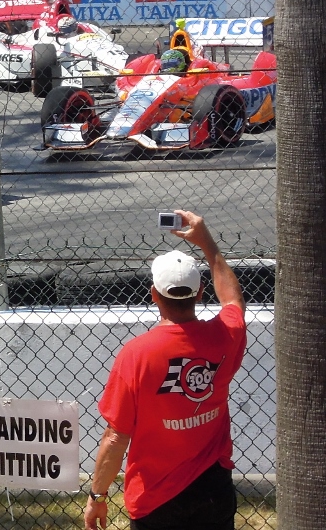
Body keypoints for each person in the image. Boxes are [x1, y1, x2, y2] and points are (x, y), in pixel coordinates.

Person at [84, 211, 246, 530]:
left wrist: (97, 497)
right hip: (214, 489)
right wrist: (207, 244)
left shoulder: (136, 355)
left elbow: (116, 437)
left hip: (155, 499)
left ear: (154, 294)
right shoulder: (226, 336)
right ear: (200, 293)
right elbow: (233, 300)